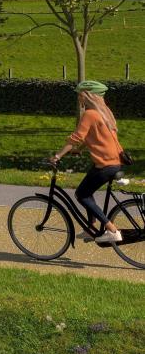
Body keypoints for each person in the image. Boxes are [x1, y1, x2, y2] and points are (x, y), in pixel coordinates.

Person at [50, 80, 129, 245]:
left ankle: (111, 230)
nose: (78, 98)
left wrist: (57, 155)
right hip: (114, 162)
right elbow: (95, 136)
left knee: (82, 194)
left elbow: (76, 137)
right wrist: (81, 149)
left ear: (87, 95)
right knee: (87, 189)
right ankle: (91, 227)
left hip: (105, 165)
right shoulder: (105, 112)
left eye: (80, 94)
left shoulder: (90, 114)